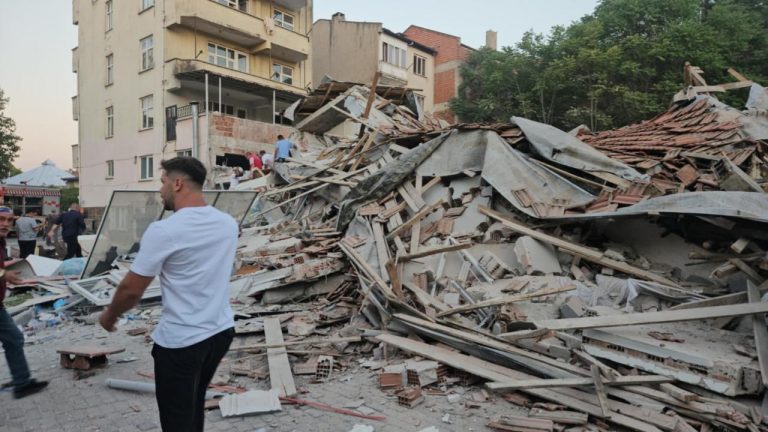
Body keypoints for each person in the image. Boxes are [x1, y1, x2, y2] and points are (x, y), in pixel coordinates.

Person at [99, 157, 237, 432]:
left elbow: (131, 290)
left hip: (182, 341)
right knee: (194, 403)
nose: (160, 191)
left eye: (162, 182)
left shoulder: (165, 230)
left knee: (177, 419)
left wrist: (110, 315)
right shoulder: (227, 223)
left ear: (177, 183)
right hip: (220, 331)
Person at [0, 206, 48, 398]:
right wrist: (4, 274)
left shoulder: (2, 241)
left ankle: (22, 381)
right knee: (14, 339)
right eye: (1, 219)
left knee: (13, 339)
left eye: (9, 220)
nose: (5, 224)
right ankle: (22, 382)